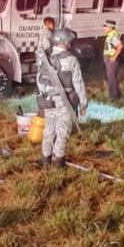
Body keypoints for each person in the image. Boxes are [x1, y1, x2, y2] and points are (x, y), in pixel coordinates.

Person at [39, 27, 87, 169]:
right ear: (66, 42)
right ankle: (58, 164)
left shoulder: (45, 58)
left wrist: (45, 95)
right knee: (62, 132)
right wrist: (83, 103)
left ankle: (45, 161)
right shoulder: (71, 60)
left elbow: (40, 80)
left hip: (48, 101)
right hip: (63, 102)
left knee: (48, 130)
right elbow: (78, 83)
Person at [34, 17, 57, 117]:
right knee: (46, 79)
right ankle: (45, 100)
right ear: (49, 24)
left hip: (39, 58)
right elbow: (47, 47)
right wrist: (51, 57)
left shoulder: (42, 31)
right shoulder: (48, 32)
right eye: (53, 24)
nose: (54, 26)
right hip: (44, 59)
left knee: (40, 76)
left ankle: (41, 96)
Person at [102, 19, 124, 100]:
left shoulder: (112, 36)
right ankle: (115, 95)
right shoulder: (111, 35)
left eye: (106, 27)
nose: (104, 28)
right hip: (110, 59)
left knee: (112, 78)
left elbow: (120, 46)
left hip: (111, 60)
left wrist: (114, 57)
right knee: (111, 77)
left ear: (111, 28)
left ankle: (114, 97)